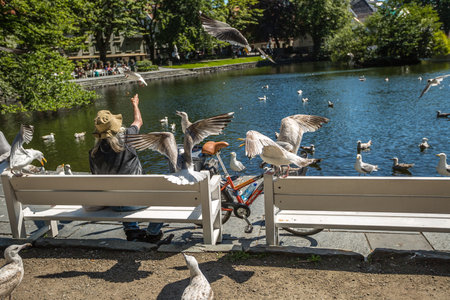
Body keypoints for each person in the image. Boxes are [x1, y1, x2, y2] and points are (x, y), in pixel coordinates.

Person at [89, 94, 164, 243]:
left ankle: (132, 230)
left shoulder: (93, 153)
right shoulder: (128, 138)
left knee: (118, 190)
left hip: (114, 203)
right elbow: (138, 121)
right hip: (137, 200)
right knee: (165, 196)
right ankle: (153, 233)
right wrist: (135, 104)